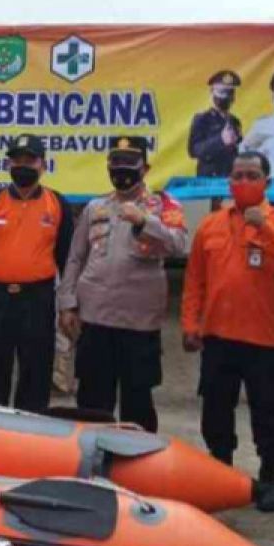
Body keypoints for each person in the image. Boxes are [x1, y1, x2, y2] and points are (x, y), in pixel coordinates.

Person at [181, 151, 274, 512]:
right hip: (218, 336)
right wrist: (189, 324)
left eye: (251, 175)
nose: (243, 182)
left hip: (264, 338)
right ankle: (222, 476)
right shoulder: (211, 225)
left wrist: (262, 228)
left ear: (267, 182)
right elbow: (194, 281)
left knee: (269, 413)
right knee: (216, 410)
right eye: (237, 176)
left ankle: (268, 477)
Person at [57, 136, 188, 432]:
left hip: (138, 324)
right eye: (115, 164)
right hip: (95, 319)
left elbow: (179, 245)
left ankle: (138, 471)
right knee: (91, 400)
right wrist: (67, 304)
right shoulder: (95, 207)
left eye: (129, 164)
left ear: (145, 167)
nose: (121, 171)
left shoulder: (163, 205)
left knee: (137, 402)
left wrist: (144, 221)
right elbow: (76, 258)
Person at [0, 134, 74, 412]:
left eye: (30, 160)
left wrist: (69, 306)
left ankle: (31, 436)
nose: (23, 165)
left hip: (38, 299)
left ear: (43, 165)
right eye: (17, 160)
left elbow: (68, 259)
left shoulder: (56, 203)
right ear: (9, 164)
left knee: (36, 370)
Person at [188, 70, 243, 178]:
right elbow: (194, 150)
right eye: (221, 92)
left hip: (230, 178)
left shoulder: (235, 121)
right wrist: (220, 140)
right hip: (209, 181)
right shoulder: (202, 119)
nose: (224, 97)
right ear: (212, 92)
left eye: (229, 92)